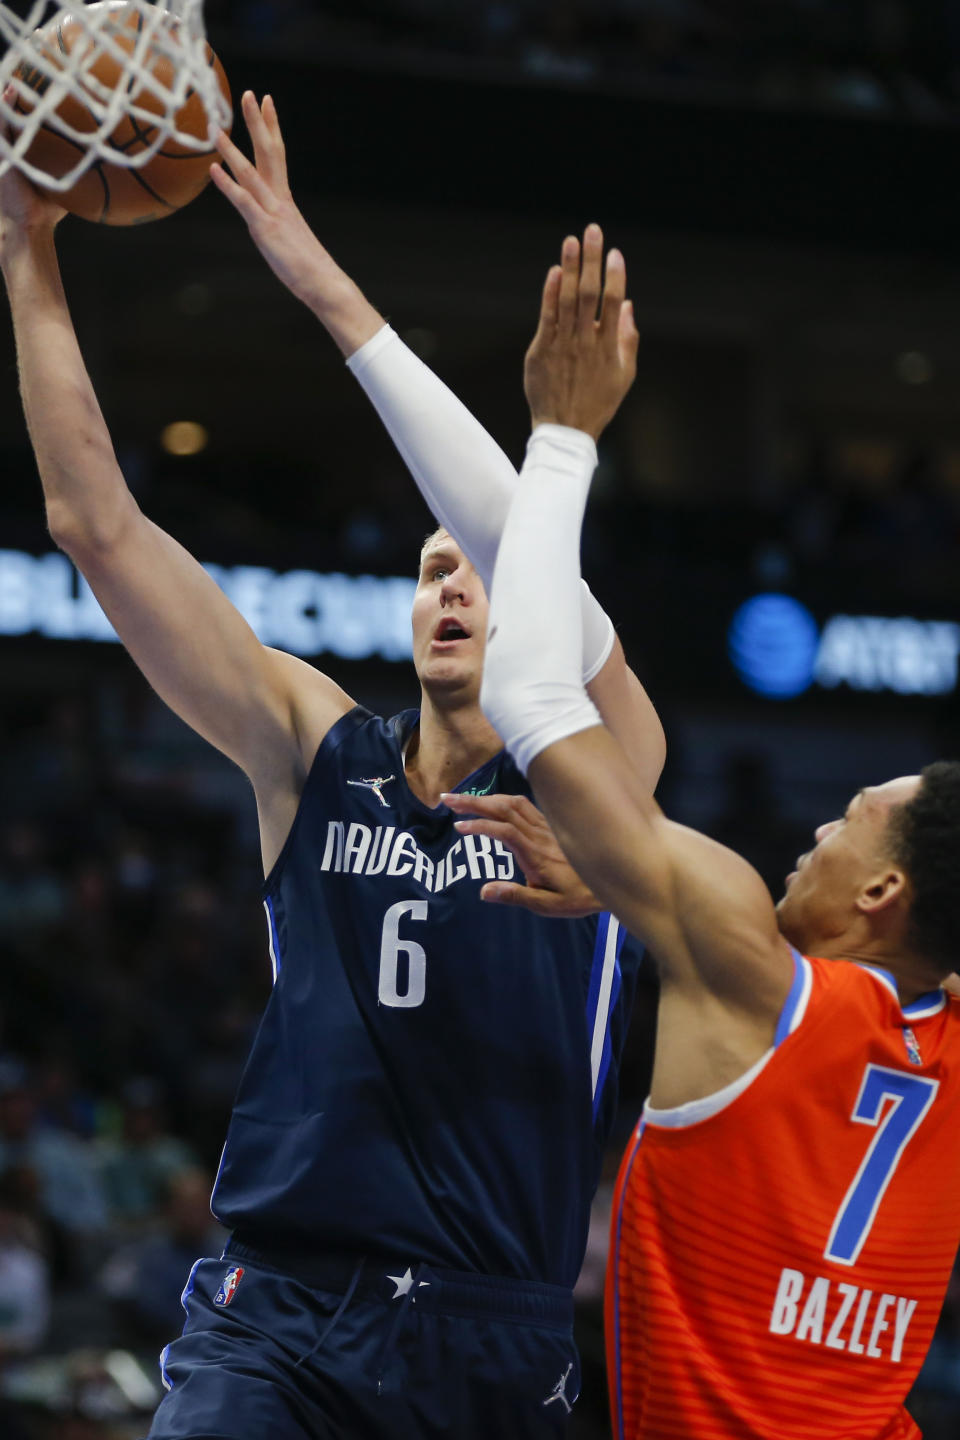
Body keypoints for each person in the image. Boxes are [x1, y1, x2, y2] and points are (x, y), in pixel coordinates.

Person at [0, 93, 664, 1439]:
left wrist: (314, 271)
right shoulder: (312, 747)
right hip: (280, 1311)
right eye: (430, 572)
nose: (453, 584)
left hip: (493, 1331)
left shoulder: (605, 787)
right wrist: (23, 244)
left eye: (480, 569)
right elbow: (96, 524)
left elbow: (509, 521)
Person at [467, 222, 960, 1440]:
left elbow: (530, 694)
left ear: (884, 893)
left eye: (847, 821)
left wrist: (563, 437)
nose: (813, 835)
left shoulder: (748, 972)